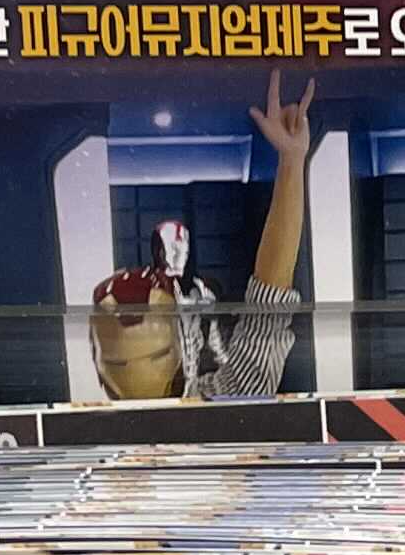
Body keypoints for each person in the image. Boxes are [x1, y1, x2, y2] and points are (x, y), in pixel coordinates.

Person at [89, 72, 317, 401]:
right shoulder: (74, 421)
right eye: (119, 362)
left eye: (156, 355)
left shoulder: (218, 397)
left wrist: (291, 162)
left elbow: (268, 308)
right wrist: (291, 163)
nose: (138, 373)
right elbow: (268, 309)